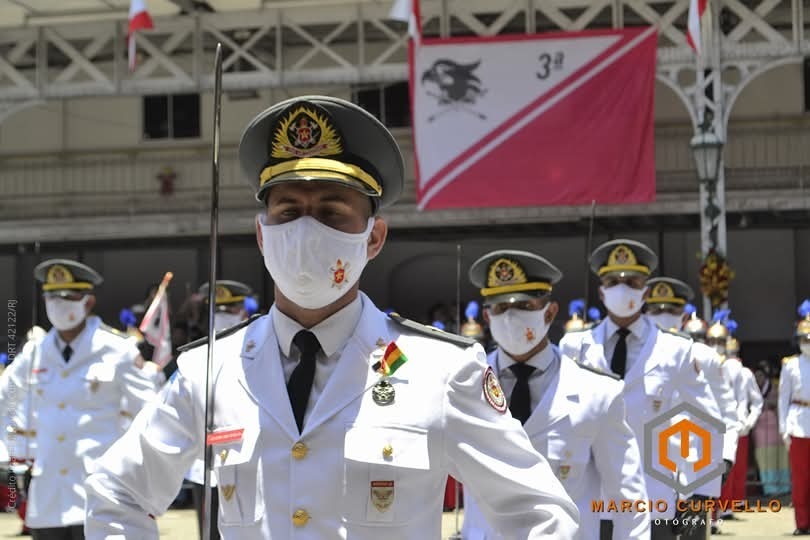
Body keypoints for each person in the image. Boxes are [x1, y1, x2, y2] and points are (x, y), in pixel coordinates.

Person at [84, 96, 580, 539]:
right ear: (262, 236)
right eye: (287, 213)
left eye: (330, 212)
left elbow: (540, 513)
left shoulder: (441, 370)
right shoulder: (211, 369)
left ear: (374, 238)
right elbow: (116, 493)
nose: (305, 230)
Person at [462, 250, 649, 540]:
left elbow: (628, 498)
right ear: (487, 317)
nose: (511, 317)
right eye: (500, 309)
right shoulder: (463, 384)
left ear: (549, 313)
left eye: (524, 305)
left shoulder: (596, 393)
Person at [559, 239, 721, 540]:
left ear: (645, 291)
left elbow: (707, 420)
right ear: (601, 291)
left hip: (653, 497)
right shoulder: (574, 348)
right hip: (589, 498)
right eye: (613, 281)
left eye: (632, 282)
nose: (623, 289)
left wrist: (700, 493)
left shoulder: (676, 350)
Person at [0, 259, 159, 540]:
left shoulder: (118, 350)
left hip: (101, 493)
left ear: (87, 302)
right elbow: (4, 400)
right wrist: (13, 448)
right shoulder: (34, 353)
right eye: (52, 296)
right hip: (49, 497)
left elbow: (149, 416)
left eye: (68, 296)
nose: (59, 304)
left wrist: (138, 478)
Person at [186, 280, 257, 540]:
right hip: (204, 464)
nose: (223, 317)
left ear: (244, 311)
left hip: (246, 459)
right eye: (218, 310)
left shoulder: (259, 351)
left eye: (230, 309)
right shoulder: (196, 356)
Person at [708, 316, 762, 518]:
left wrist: (743, 421)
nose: (718, 347)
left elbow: (739, 397)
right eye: (712, 342)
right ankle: (717, 510)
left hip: (731, 423)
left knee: (730, 467)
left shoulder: (735, 369)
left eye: (720, 343)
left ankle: (727, 506)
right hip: (709, 423)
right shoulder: (701, 363)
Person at [779, 299, 810, 535]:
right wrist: (783, 429)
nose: (807, 344)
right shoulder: (790, 366)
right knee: (800, 480)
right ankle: (802, 523)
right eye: (803, 340)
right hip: (798, 423)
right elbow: (783, 398)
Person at [752, 361, 789, 496]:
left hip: (775, 426)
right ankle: (770, 488)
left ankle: (784, 486)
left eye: (760, 376)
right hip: (760, 428)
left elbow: (780, 403)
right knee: (764, 458)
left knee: (780, 457)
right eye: (756, 376)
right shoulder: (752, 389)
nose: (758, 379)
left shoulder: (774, 387)